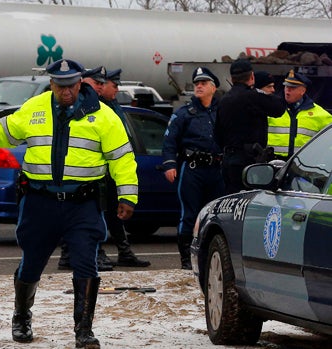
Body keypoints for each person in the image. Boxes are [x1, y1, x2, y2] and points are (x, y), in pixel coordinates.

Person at [0, 58, 138, 349]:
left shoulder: (103, 115)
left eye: (71, 85)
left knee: (86, 264)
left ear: (81, 83)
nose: (66, 91)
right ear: (51, 84)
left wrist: (127, 195)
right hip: (39, 203)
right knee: (32, 263)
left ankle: (83, 330)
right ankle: (21, 316)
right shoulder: (33, 109)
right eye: (60, 85)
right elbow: (0, 134)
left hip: (82, 204)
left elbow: (122, 158)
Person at [162, 67, 224, 270]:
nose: (198, 86)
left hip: (217, 170)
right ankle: (186, 259)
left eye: (203, 83)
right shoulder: (184, 113)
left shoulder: (222, 112)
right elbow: (169, 141)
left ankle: (209, 256)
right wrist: (170, 164)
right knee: (190, 214)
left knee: (215, 215)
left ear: (213, 88)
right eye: (197, 83)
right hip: (193, 170)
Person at [58, 65, 113, 271]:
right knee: (82, 217)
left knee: (92, 216)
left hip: (96, 170)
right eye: (96, 83)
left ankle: (80, 254)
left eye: (102, 83)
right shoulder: (72, 105)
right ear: (83, 82)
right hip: (75, 171)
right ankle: (84, 254)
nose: (100, 87)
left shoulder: (104, 106)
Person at [99, 68, 150, 268]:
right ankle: (99, 252)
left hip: (115, 169)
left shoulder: (113, 105)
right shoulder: (98, 108)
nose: (116, 89)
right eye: (114, 85)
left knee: (114, 211)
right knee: (101, 212)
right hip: (104, 169)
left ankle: (124, 251)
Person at [214, 59, 286, 194]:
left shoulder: (224, 100)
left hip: (229, 161)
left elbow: (217, 134)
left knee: (232, 200)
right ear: (252, 77)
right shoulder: (252, 97)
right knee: (251, 200)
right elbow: (279, 108)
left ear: (231, 78)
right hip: (249, 163)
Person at [268, 69, 332, 160]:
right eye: (286, 87)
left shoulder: (321, 115)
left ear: (303, 91)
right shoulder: (271, 109)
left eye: (292, 88)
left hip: (304, 165)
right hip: (272, 163)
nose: (287, 91)